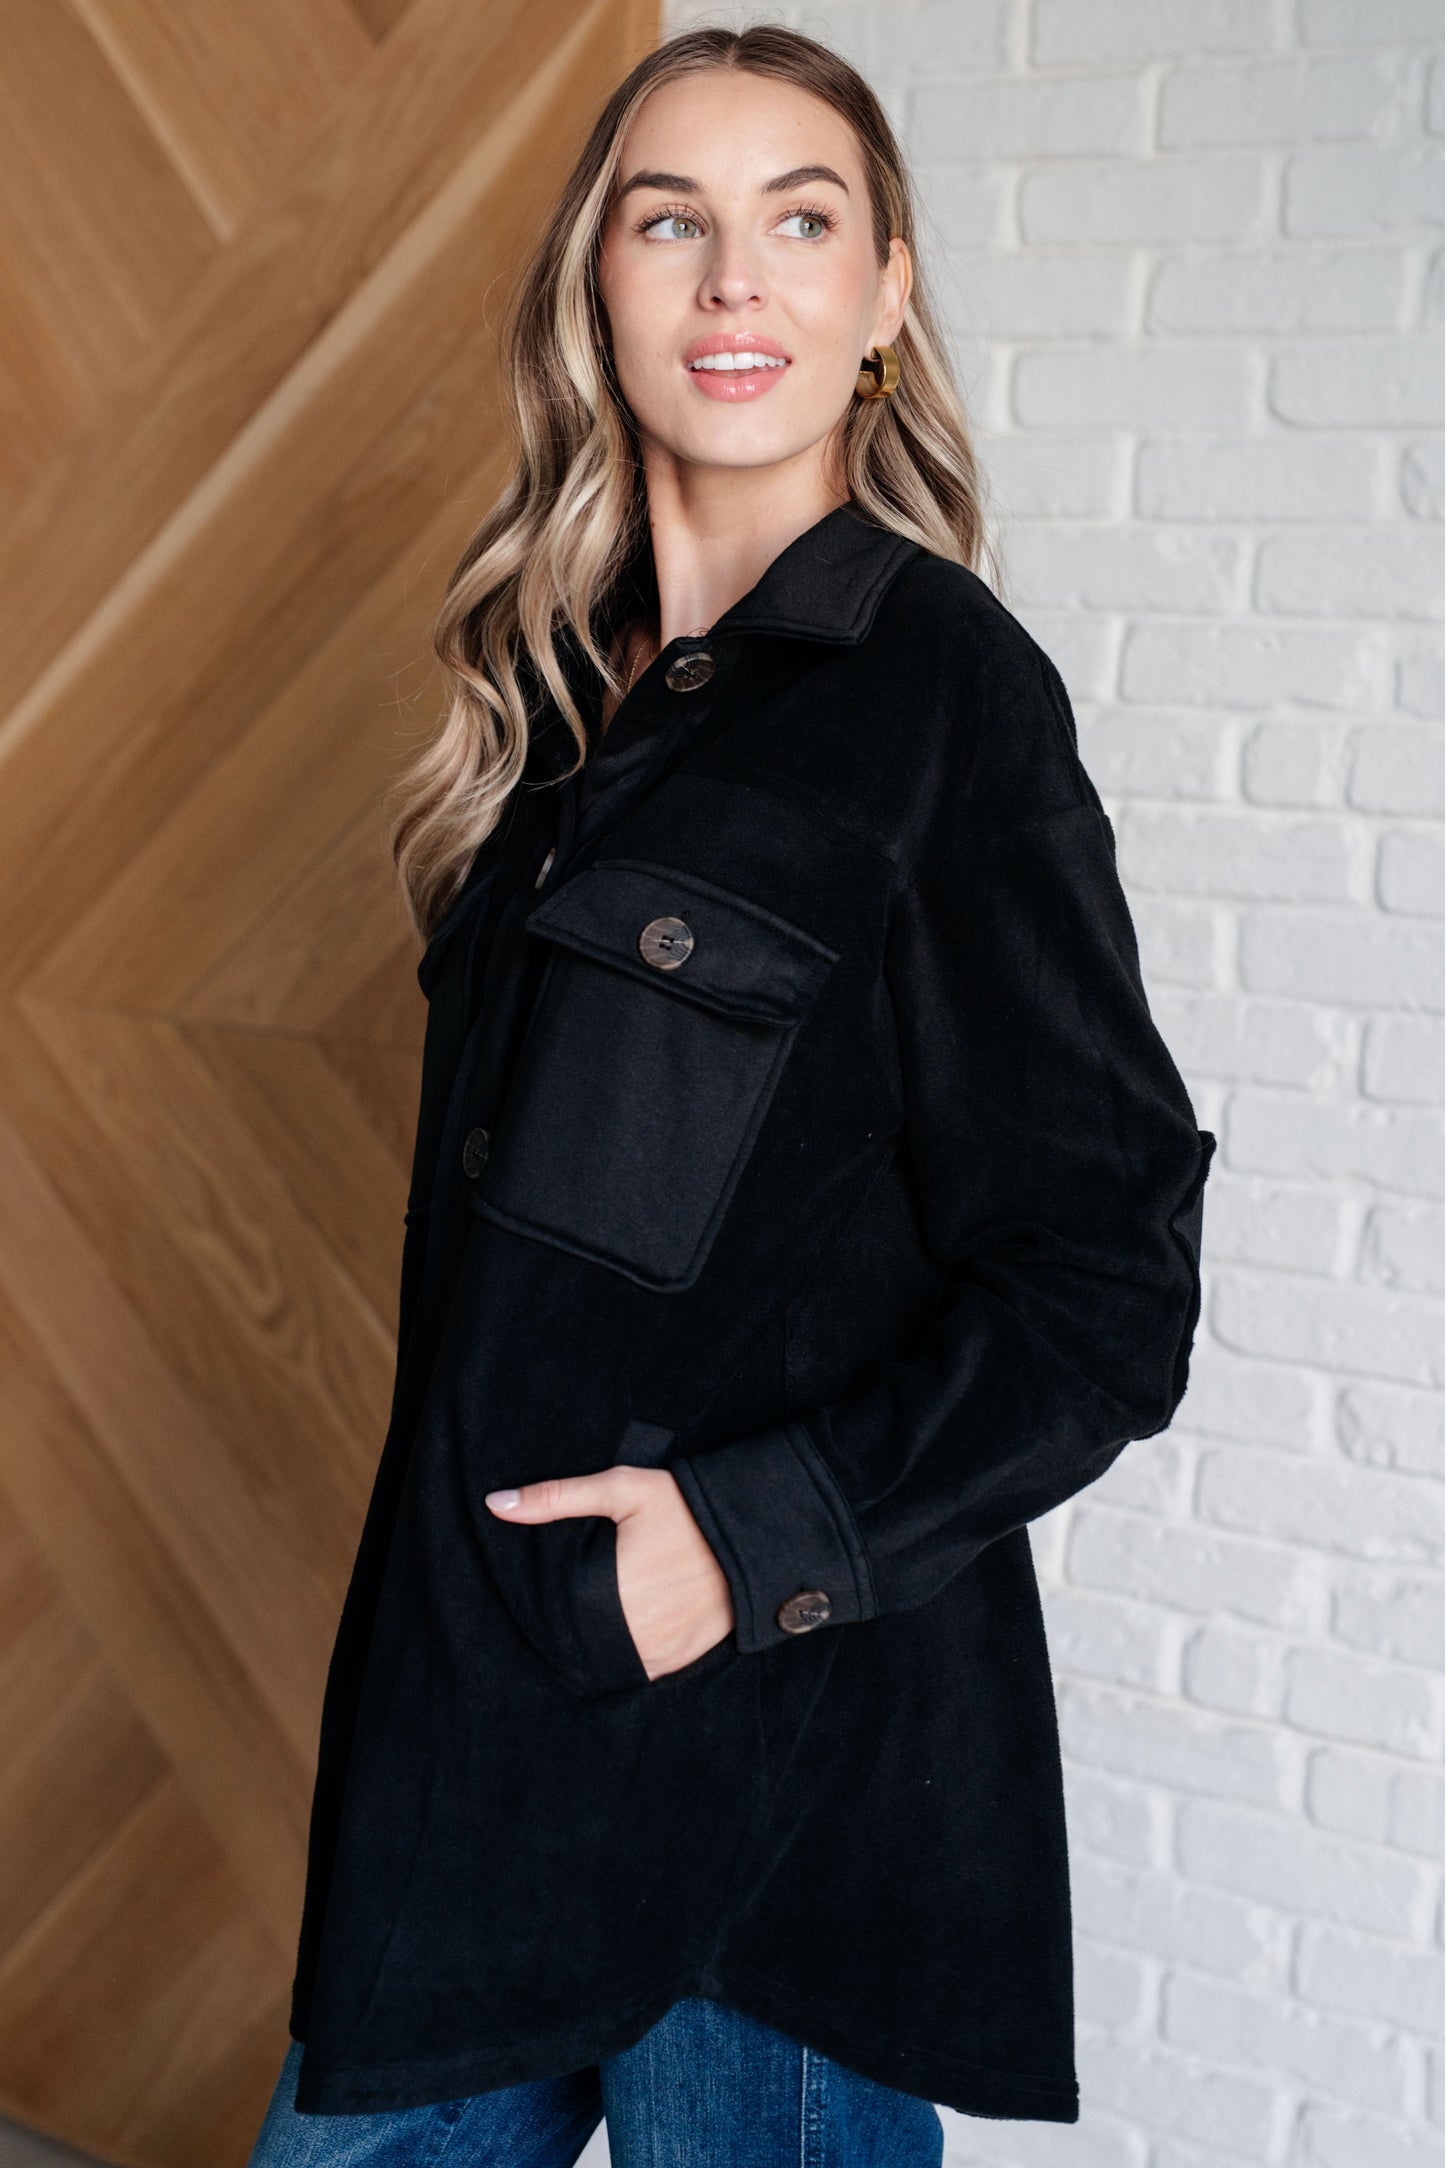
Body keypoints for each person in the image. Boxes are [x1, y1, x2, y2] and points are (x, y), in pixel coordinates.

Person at [246, 23, 1215, 2167]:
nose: (730, 281)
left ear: (882, 299)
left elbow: (1103, 1280)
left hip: (759, 1783)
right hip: (470, 1742)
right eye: (667, 219)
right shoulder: (547, 706)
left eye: (801, 222)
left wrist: (740, 1544)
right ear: (595, 283)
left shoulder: (947, 695)